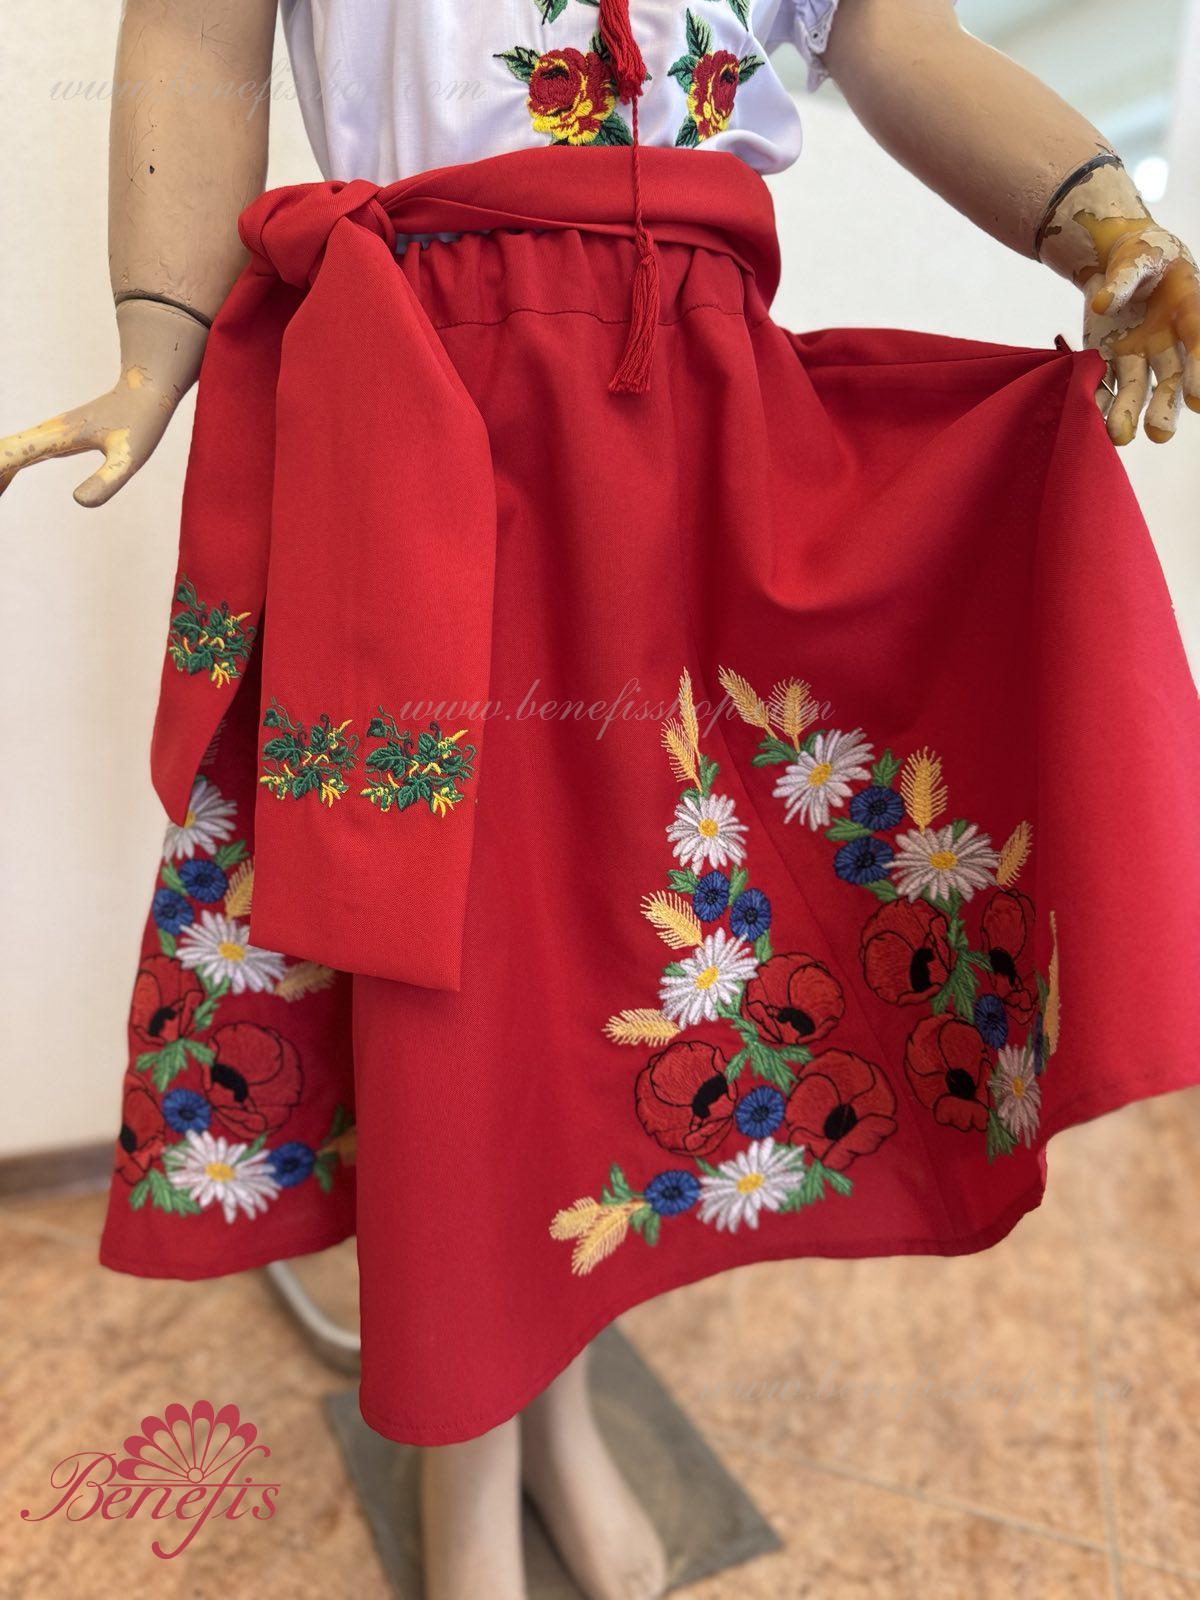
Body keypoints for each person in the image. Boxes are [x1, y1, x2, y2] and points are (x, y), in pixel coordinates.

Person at [2, 3, 1198, 1597]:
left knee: (623, 956)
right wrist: (156, 348)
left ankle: (552, 1405)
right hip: (428, 404)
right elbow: (194, 25)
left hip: (700, 432)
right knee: (458, 951)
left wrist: (1101, 218)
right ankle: (466, 1449)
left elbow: (891, 35)